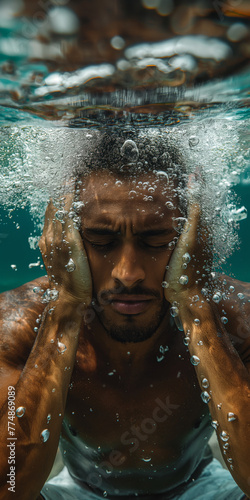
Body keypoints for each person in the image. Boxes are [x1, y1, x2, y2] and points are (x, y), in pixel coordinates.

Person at [0, 131, 249, 500]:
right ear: (64, 239)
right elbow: (9, 488)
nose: (128, 273)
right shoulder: (19, 325)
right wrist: (67, 308)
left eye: (157, 240)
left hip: (203, 488)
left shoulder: (237, 318)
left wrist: (195, 304)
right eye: (101, 241)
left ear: (191, 239)